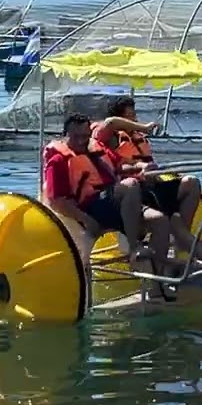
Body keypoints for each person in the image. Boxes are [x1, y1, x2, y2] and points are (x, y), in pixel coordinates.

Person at [41, 113, 176, 284]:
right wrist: (86, 219)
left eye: (85, 136)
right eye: (76, 137)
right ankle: (135, 248)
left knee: (160, 220)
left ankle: (158, 285)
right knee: (130, 185)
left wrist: (141, 166)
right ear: (65, 135)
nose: (82, 141)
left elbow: (121, 165)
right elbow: (57, 201)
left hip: (117, 203)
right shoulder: (59, 160)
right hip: (91, 206)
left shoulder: (96, 149)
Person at [93, 96, 202, 260]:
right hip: (134, 191)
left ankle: (181, 238)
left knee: (191, 182)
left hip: (153, 186)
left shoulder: (137, 137)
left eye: (134, 115)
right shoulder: (111, 137)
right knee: (166, 219)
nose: (134, 119)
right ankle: (186, 243)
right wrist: (144, 127)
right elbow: (111, 122)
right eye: (129, 117)